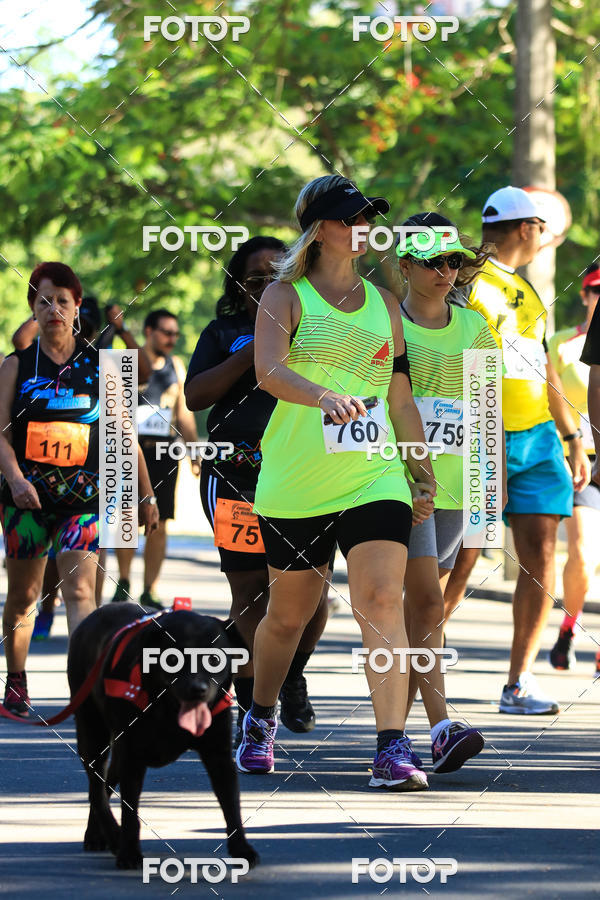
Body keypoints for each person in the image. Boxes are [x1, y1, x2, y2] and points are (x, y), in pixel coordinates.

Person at [236, 174, 437, 790]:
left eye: (369, 217)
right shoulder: (284, 295)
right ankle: (260, 715)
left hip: (374, 476)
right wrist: (323, 396)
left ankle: (391, 746)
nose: (364, 227)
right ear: (319, 229)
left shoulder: (386, 303)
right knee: (287, 618)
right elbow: (268, 370)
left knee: (381, 599)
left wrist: (419, 469)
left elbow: (398, 396)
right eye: (351, 218)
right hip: (296, 481)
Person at [444, 186, 590, 714]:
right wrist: (485, 440)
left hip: (540, 438)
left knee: (543, 555)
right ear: (527, 228)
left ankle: (518, 683)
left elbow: (544, 369)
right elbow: (458, 364)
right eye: (542, 229)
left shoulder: (527, 289)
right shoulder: (465, 280)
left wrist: (571, 438)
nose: (547, 238)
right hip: (483, 434)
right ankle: (417, 662)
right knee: (463, 557)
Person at [185, 236, 330, 744]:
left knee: (312, 595)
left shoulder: (315, 326)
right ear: (237, 287)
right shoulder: (222, 332)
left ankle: (291, 674)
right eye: (254, 280)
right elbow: (196, 395)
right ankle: (252, 709)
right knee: (250, 592)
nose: (266, 287)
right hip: (234, 475)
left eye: (277, 276)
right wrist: (254, 354)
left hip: (303, 474)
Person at [0, 262, 158, 716]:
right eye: (43, 301)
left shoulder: (100, 367)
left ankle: (85, 689)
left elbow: (125, 434)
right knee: (24, 597)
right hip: (26, 501)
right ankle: (16, 681)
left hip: (82, 501)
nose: (53, 309)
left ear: (76, 308)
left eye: (62, 301)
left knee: (81, 592)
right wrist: (16, 480)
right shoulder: (16, 365)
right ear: (32, 309)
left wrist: (146, 495)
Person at [396, 212, 504, 770]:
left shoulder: (475, 327)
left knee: (421, 611)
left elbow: (488, 411)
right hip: (397, 480)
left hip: (459, 485)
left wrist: (493, 482)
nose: (445, 272)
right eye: (432, 262)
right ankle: (441, 726)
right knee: (428, 604)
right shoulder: (386, 321)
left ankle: (396, 736)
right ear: (405, 265)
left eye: (454, 261)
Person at [112, 309, 199, 609]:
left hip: (164, 454)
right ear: (149, 331)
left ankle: (150, 588)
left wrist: (194, 452)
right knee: (127, 516)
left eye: (175, 334)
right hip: (130, 451)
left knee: (160, 522)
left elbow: (183, 413)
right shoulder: (128, 362)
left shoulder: (176, 366)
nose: (172, 339)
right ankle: (123, 581)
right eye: (166, 333)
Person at [547, 264, 600, 674]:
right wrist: (566, 448)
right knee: (583, 554)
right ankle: (569, 625)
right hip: (582, 459)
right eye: (597, 289)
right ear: (583, 295)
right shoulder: (561, 344)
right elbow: (547, 400)